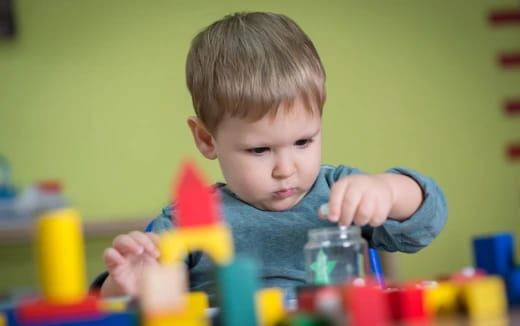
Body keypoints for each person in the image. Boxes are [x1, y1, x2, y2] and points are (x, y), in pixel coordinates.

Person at [93, 11, 447, 302]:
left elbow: (426, 220)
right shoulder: (189, 221)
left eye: (304, 141)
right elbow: (115, 305)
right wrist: (125, 286)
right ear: (206, 138)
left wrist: (388, 191)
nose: (286, 168)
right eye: (259, 150)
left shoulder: (340, 193)